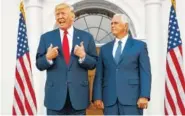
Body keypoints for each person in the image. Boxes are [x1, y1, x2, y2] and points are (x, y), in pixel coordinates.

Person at [36, 3, 97, 115]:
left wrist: (83, 56)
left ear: (72, 16)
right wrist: (47, 57)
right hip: (54, 97)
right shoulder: (46, 37)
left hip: (79, 97)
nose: (59, 17)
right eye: (57, 14)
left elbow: (93, 63)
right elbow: (39, 64)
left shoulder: (86, 37)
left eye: (63, 13)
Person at [92, 14, 151, 115]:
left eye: (116, 23)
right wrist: (97, 97)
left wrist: (144, 96)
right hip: (109, 101)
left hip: (132, 99)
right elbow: (99, 75)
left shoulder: (139, 46)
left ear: (125, 26)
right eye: (111, 23)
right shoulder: (104, 49)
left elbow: (145, 72)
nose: (112, 26)